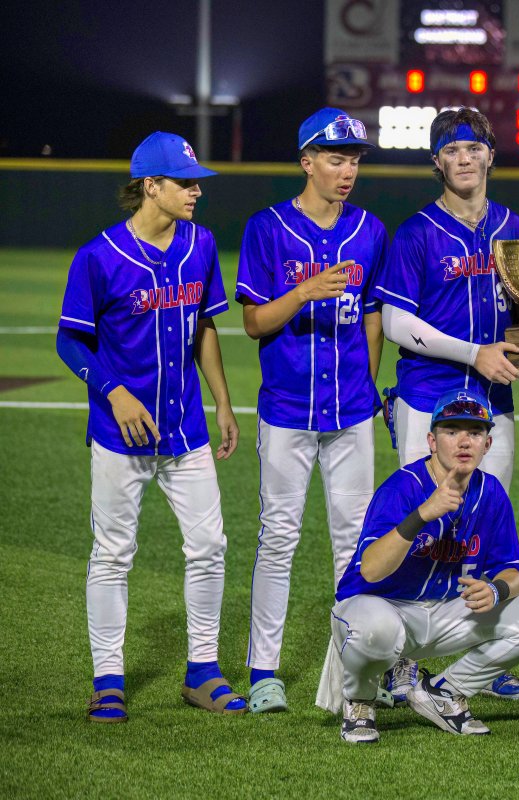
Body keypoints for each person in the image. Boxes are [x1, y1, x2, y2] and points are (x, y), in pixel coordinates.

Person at [57, 132, 244, 721]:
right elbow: (70, 341)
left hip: (186, 427)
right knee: (113, 553)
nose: (196, 191)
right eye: (184, 182)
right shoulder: (99, 256)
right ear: (150, 186)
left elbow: (205, 327)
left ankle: (202, 671)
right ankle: (108, 679)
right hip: (121, 435)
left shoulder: (200, 244)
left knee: (209, 547)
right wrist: (113, 392)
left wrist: (222, 401)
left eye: (197, 182)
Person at [371, 107, 519, 701]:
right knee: (421, 526)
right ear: (437, 162)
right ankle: (402, 659)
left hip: (494, 402)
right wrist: (474, 353)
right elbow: (395, 323)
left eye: (473, 148)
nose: (464, 158)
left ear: (491, 155)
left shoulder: (515, 227)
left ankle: (485, 660)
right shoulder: (416, 232)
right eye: (451, 150)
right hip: (427, 397)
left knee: (486, 524)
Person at [235, 108, 387, 713]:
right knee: (279, 538)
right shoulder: (267, 228)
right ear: (307, 161)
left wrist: (367, 386)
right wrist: (302, 292)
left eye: (354, 160)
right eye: (335, 158)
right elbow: (253, 322)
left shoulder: (370, 229)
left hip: (351, 412)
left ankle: (355, 671)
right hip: (286, 409)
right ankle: (263, 672)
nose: (347, 171)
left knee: (357, 542)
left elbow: (372, 317)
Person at [330, 390, 519, 743]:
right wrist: (423, 514)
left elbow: (516, 573)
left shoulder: (491, 492)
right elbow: (371, 571)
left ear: (487, 443)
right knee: (378, 630)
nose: (464, 441)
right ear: (432, 441)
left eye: (475, 432)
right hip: (378, 609)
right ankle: (360, 702)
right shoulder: (404, 488)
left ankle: (443, 691)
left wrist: (496, 589)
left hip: (447, 613)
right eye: (452, 431)